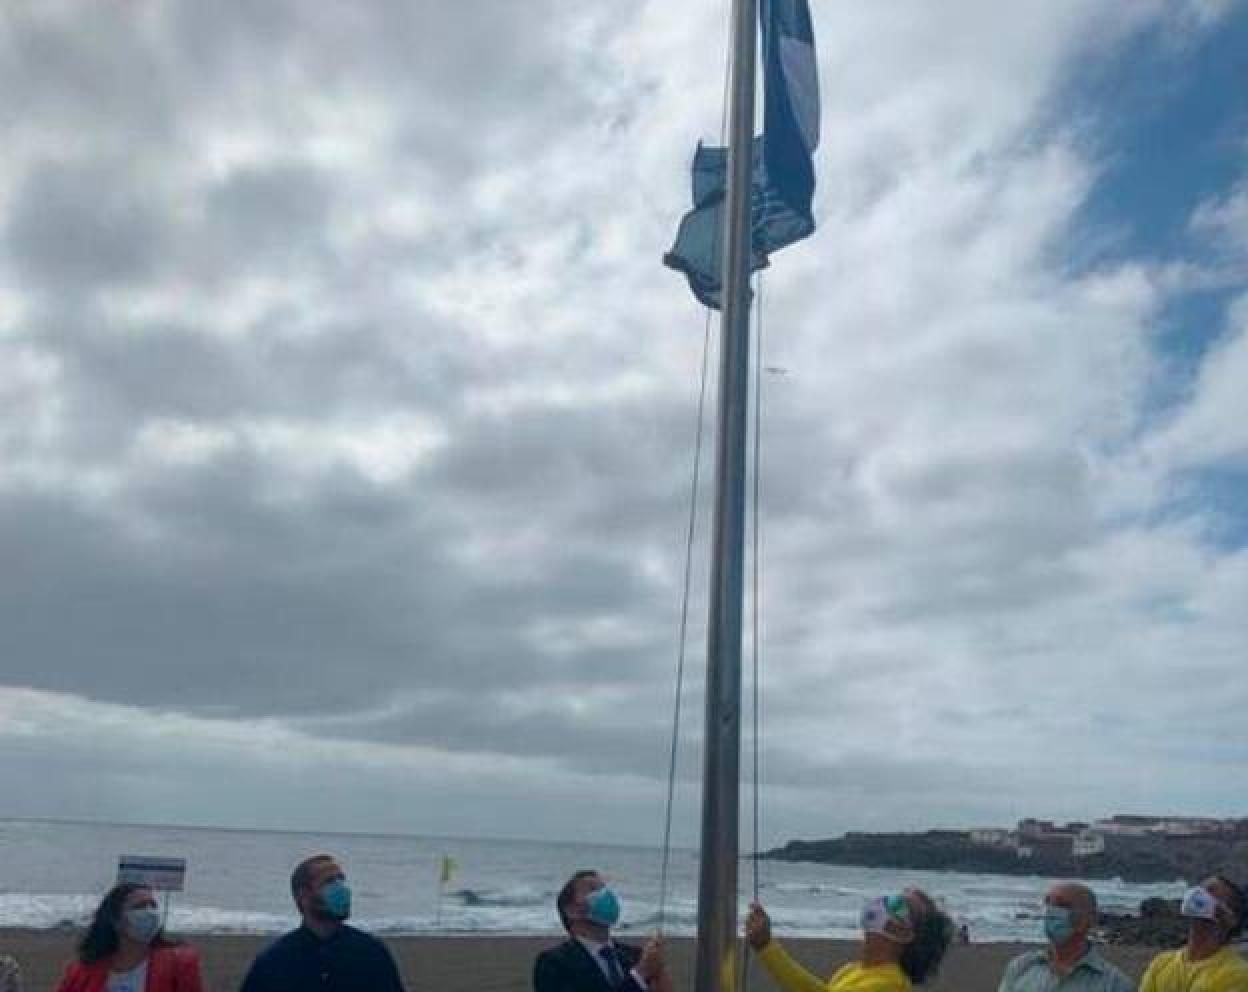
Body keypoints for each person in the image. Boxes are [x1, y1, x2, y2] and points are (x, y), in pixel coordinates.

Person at [239, 853, 405, 992]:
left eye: (341, 880)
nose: (341, 888)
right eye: (329, 882)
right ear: (303, 896)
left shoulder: (371, 953)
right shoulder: (274, 961)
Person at [746, 889, 953, 992]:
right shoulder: (853, 970)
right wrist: (766, 947)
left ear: (904, 933)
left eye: (897, 904)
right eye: (890, 897)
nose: (884, 903)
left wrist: (767, 948)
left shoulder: (889, 984)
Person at [533, 869, 669, 992]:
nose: (606, 895)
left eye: (604, 888)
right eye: (593, 889)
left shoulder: (635, 955)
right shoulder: (553, 963)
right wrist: (639, 974)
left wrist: (660, 976)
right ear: (572, 910)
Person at [54, 883, 203, 992]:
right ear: (116, 920)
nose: (150, 912)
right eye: (140, 906)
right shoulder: (82, 970)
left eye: (153, 906)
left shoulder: (178, 964)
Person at [997, 883, 1132, 992]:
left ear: (1089, 919)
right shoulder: (1021, 967)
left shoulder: (1114, 984)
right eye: (1048, 904)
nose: (1051, 911)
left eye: (1062, 905)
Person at [1140, 875, 1248, 992]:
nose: (1197, 893)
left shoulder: (1236, 973)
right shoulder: (1161, 962)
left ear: (1227, 916)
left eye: (1210, 890)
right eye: (1200, 888)